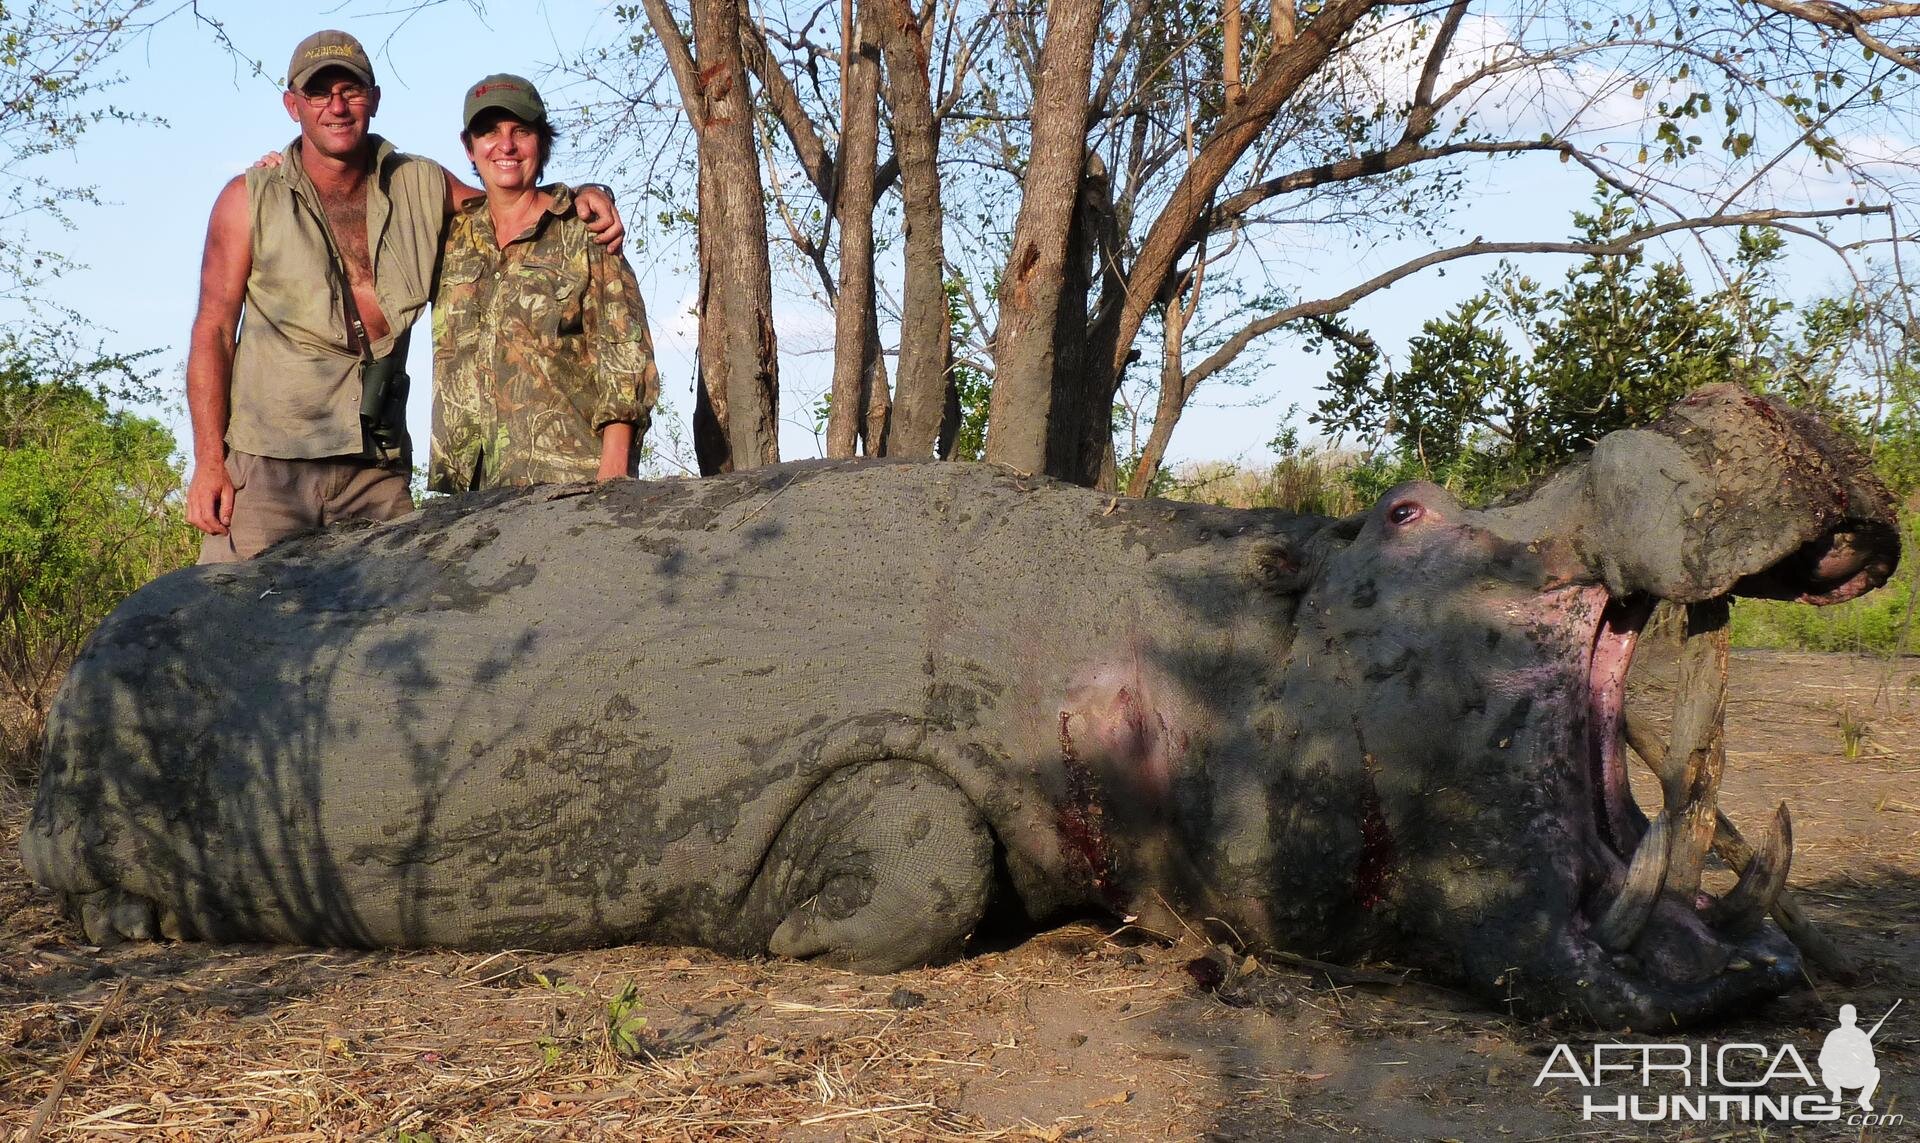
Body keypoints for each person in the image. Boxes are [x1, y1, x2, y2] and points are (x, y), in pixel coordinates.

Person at [184, 31, 626, 562]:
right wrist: (210, 460)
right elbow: (213, 331)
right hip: (269, 468)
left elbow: (513, 204)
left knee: (392, 635)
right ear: (292, 105)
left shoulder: (423, 184)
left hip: (379, 472)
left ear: (374, 97)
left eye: (350, 90)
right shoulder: (246, 199)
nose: (336, 106)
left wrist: (585, 194)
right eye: (319, 93)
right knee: (230, 624)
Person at [428, 75, 658, 491]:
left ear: (542, 141)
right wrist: (281, 167)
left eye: (521, 131)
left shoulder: (583, 229)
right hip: (469, 493)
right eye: (490, 132)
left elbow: (625, 358)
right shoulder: (450, 238)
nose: (506, 146)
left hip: (570, 486)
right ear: (469, 147)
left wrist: (612, 477)